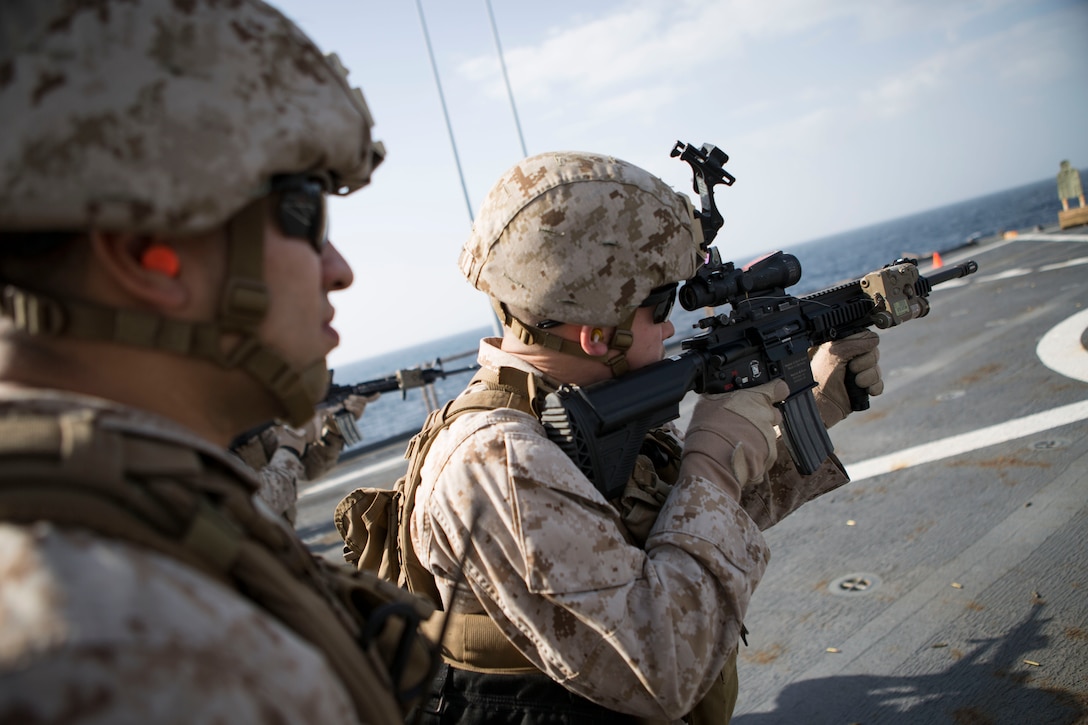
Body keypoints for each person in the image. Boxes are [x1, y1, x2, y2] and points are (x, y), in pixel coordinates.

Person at [0, 1, 433, 722]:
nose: (340, 268)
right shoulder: (148, 653)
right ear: (148, 251)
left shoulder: (134, 525)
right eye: (305, 213)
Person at [405, 151, 883, 722]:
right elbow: (665, 668)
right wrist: (714, 459)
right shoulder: (496, 464)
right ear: (594, 332)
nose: (671, 324)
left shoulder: (571, 412)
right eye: (658, 304)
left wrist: (815, 409)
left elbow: (679, 530)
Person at [234, 393, 377, 523]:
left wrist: (333, 432)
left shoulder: (249, 425)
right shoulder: (215, 441)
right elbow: (255, 503)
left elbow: (308, 469)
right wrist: (291, 445)